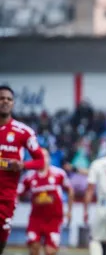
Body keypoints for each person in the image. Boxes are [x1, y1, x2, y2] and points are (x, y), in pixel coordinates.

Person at [0, 85, 46, 254]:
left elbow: (40, 161)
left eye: (9, 99)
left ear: (13, 103)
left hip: (6, 197)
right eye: (1, 98)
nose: (5, 101)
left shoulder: (23, 132)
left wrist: (23, 165)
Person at [17, 148, 74, 255]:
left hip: (54, 219)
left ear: (49, 158)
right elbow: (17, 193)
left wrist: (70, 211)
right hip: (36, 219)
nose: (43, 159)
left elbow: (70, 190)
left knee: (50, 251)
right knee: (34, 248)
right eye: (39, 156)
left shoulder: (59, 174)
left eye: (45, 156)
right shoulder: (29, 177)